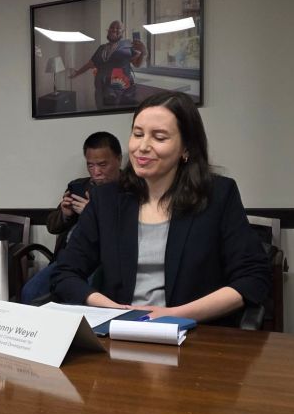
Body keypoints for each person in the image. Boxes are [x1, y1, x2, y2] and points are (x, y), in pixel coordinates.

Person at [52, 92, 270, 325]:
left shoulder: (218, 195)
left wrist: (177, 314)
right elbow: (65, 272)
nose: (142, 147)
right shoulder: (106, 199)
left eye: (159, 137)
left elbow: (253, 277)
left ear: (186, 148)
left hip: (195, 332)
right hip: (118, 330)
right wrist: (113, 309)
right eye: (138, 134)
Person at [20, 131, 122, 302]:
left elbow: (126, 235)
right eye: (90, 165)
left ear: (118, 159)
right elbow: (52, 226)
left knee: (79, 296)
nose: (96, 172)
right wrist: (65, 214)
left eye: (102, 165)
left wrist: (92, 215)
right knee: (30, 292)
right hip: (67, 258)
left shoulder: (128, 190)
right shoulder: (79, 186)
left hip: (101, 262)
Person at [69, 20, 147, 108]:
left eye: (118, 28)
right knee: (102, 112)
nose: (114, 29)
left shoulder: (128, 46)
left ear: (123, 32)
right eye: (112, 27)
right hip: (101, 91)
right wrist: (77, 73)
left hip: (121, 92)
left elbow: (137, 64)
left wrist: (144, 52)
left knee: (118, 114)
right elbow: (90, 64)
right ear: (108, 30)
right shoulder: (101, 48)